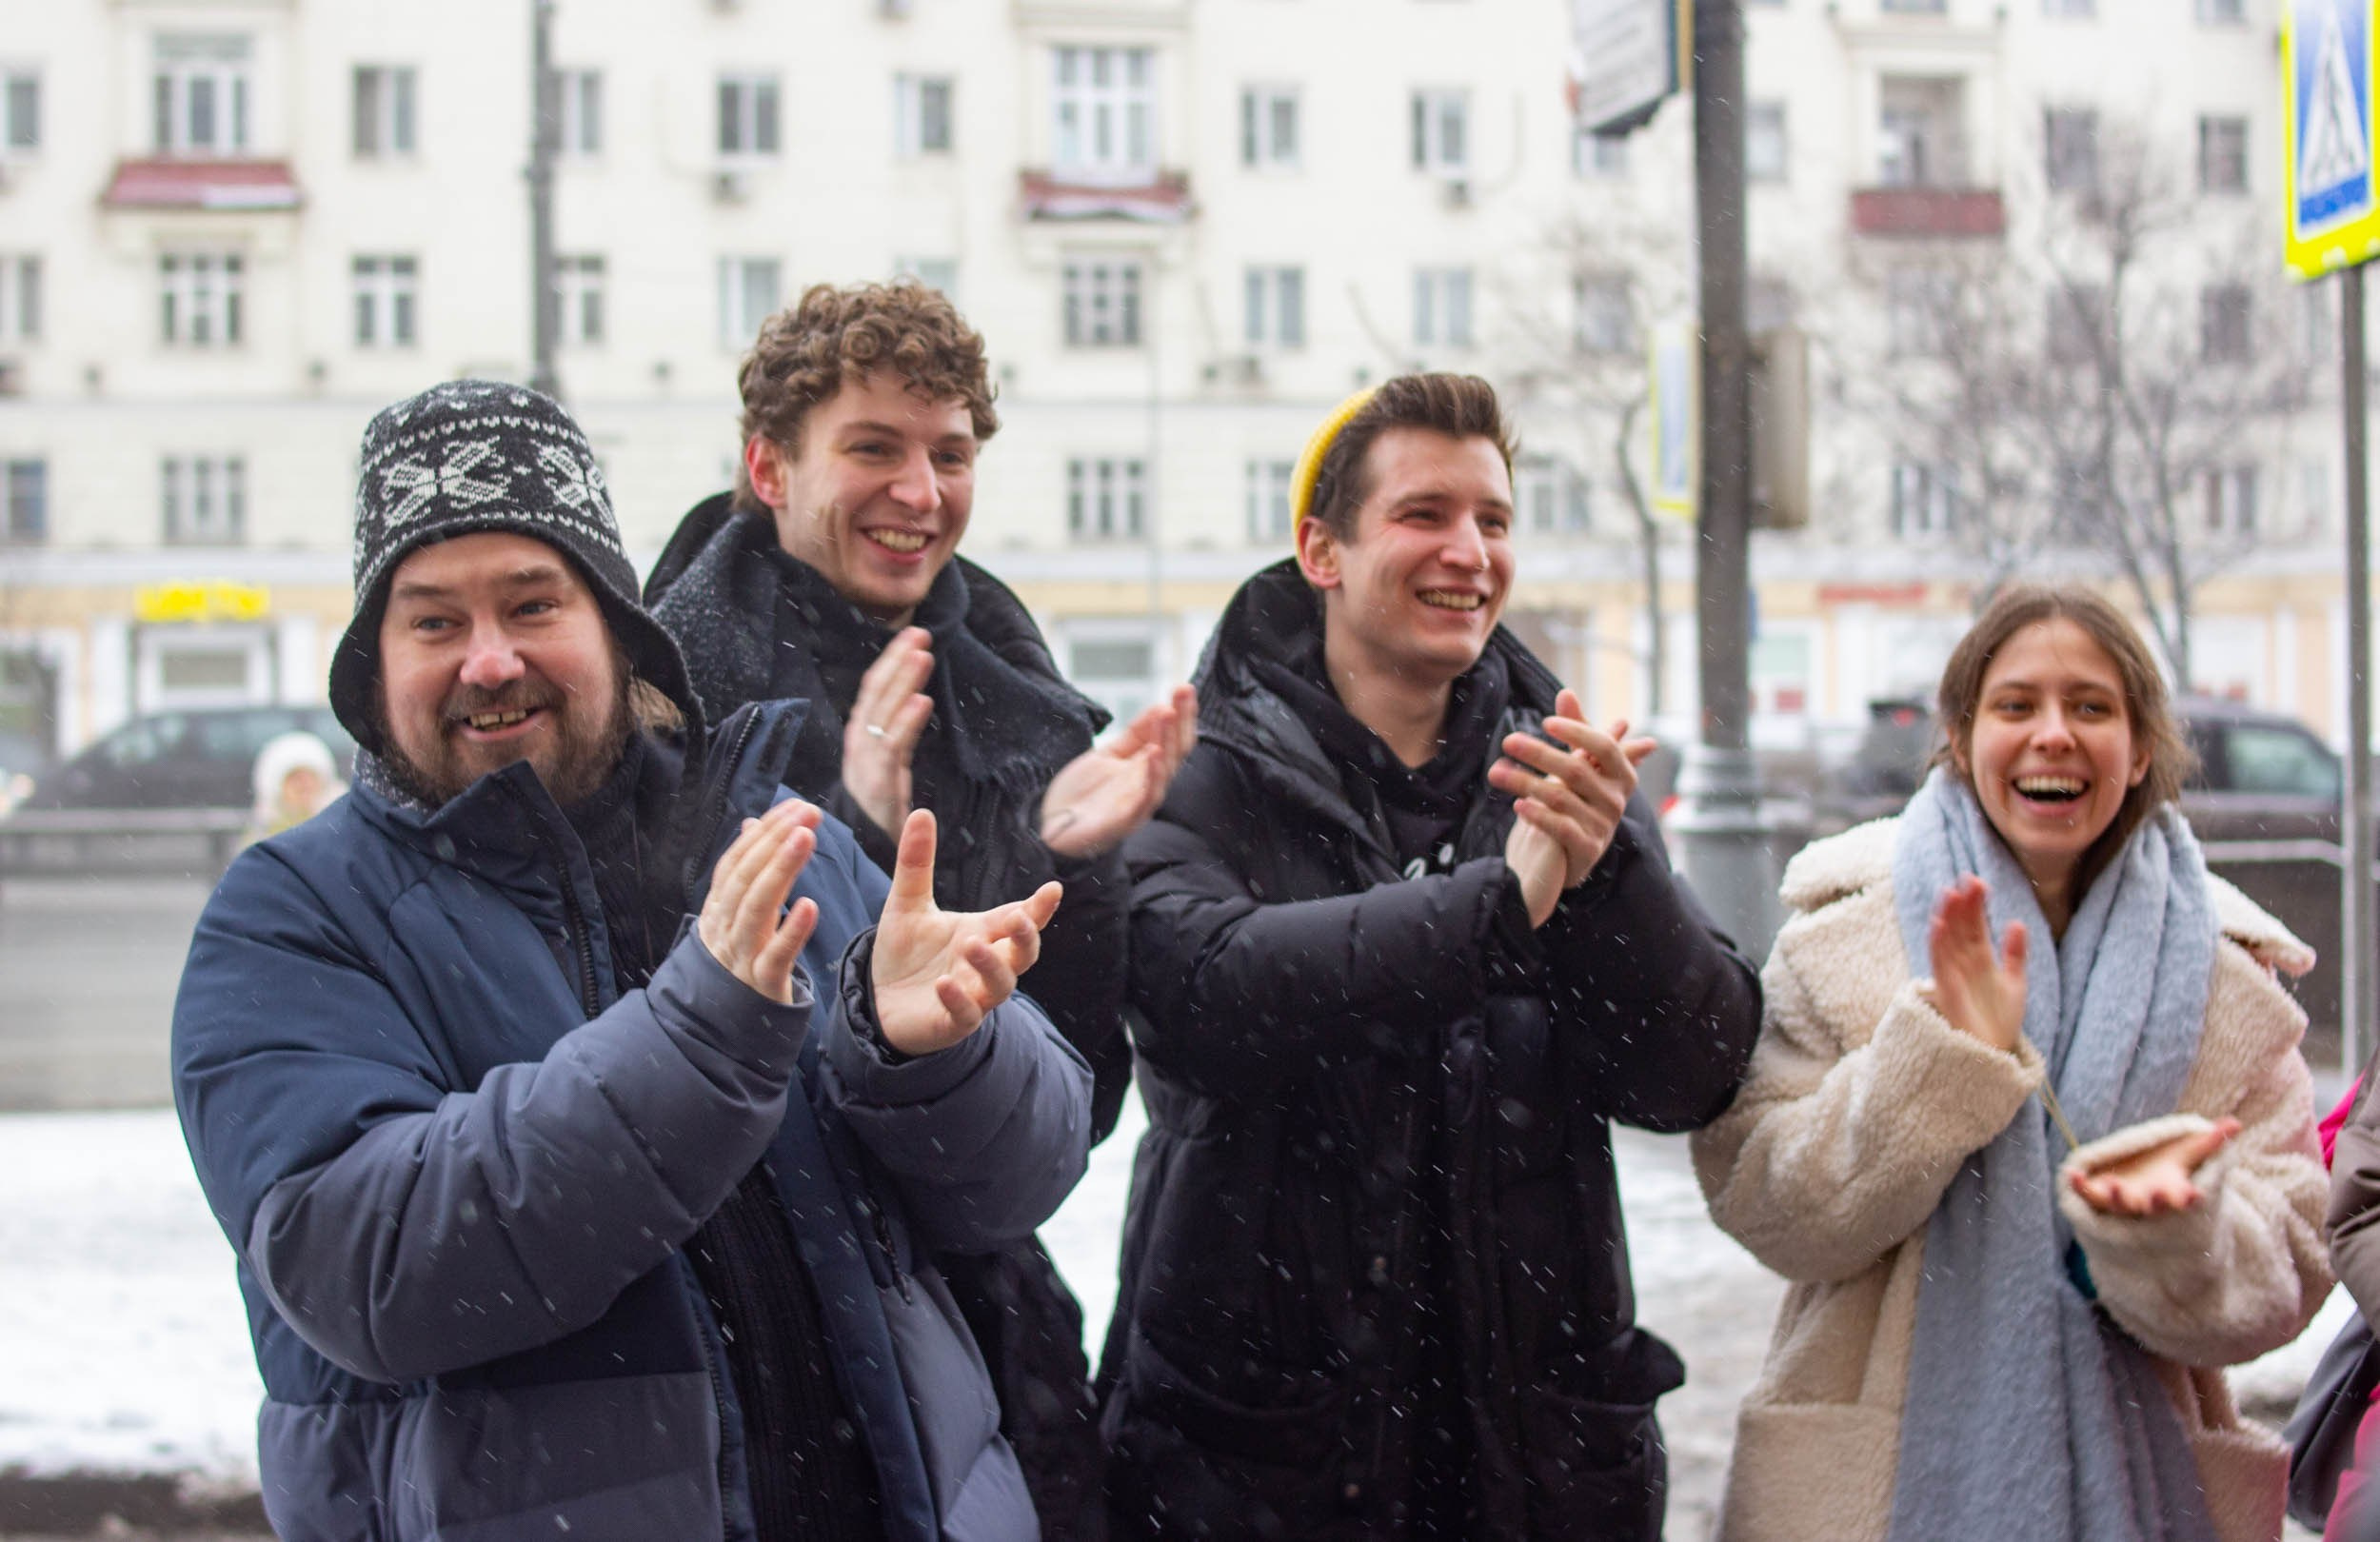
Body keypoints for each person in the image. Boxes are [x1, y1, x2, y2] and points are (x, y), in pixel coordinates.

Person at [172, 379, 1092, 1541]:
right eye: (434, 623)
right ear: (373, 667)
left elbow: (1024, 1178)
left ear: (616, 627)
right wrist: (700, 1039)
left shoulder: (778, 835)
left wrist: (930, 1054)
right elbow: (369, 1268)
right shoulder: (293, 913)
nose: (489, 660)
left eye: (533, 604)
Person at [1101, 373, 1763, 1540]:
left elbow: (1689, 1077)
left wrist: (1609, 876)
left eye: (1493, 520)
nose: (1469, 551)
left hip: (1536, 1464)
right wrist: (1492, 913)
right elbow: (1200, 1000)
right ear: (1322, 549)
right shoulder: (1199, 766)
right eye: (1424, 514)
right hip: (1261, 1467)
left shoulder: (1563, 777)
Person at [645, 280, 1188, 1537]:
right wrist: (855, 832)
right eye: (874, 449)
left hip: (987, 1335)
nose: (920, 491)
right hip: (748, 1344)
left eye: (949, 454)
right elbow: (677, 1051)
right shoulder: (662, 693)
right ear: (768, 467)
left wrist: (1070, 864)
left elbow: (1073, 1103)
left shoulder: (1009, 685)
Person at [1692, 583, 2330, 1542]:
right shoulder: (1841, 935)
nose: (2053, 735)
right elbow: (1767, 1205)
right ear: (1959, 737)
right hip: (1877, 1495)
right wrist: (1942, 1061)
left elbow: (2290, 1272)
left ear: (2140, 748)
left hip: (2147, 1492)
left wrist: (2173, 1233)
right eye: (2016, 704)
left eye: (2091, 707)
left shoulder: (2232, 981)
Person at [243, 728, 343, 843]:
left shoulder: (342, 825)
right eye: (295, 778)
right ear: (279, 787)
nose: (305, 784)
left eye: (310, 777)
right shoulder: (262, 832)